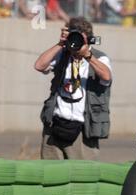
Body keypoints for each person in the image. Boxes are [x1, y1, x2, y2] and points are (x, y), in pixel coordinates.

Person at [34, 16, 112, 160]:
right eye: (73, 37)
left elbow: (106, 76)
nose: (75, 42)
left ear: (88, 39)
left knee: (83, 177)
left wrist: (87, 55)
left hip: (83, 130)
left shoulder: (99, 58)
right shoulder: (63, 54)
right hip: (55, 125)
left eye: (79, 38)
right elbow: (39, 65)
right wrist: (60, 43)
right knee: (51, 174)